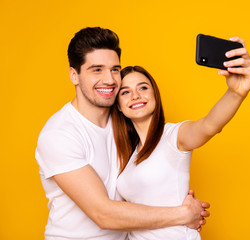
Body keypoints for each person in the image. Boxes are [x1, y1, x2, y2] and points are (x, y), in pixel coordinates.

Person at [35, 27, 209, 240]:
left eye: (115, 69)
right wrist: (182, 214)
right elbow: (103, 214)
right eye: (96, 70)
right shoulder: (59, 134)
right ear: (74, 75)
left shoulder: (124, 120)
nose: (109, 80)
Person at [112, 37, 250, 239]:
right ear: (118, 105)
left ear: (154, 94)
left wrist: (236, 92)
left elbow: (209, 125)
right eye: (125, 92)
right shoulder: (128, 153)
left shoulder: (173, 136)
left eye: (143, 88)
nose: (135, 95)